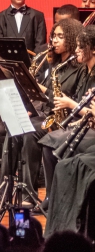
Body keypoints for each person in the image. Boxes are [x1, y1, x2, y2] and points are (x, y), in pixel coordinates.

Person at [17, 18, 83, 205]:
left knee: (31, 132)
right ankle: (27, 192)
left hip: (69, 118)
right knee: (21, 129)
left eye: (60, 36)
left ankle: (46, 194)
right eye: (53, 35)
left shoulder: (78, 68)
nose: (54, 40)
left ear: (71, 38)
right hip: (47, 114)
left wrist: (43, 90)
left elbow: (72, 98)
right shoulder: (53, 65)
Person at [36, 25, 95, 213]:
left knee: (50, 141)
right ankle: (53, 196)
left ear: (92, 49)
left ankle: (58, 198)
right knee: (49, 141)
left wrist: (71, 105)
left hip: (91, 130)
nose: (76, 50)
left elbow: (89, 111)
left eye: (80, 47)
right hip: (83, 126)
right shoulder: (85, 71)